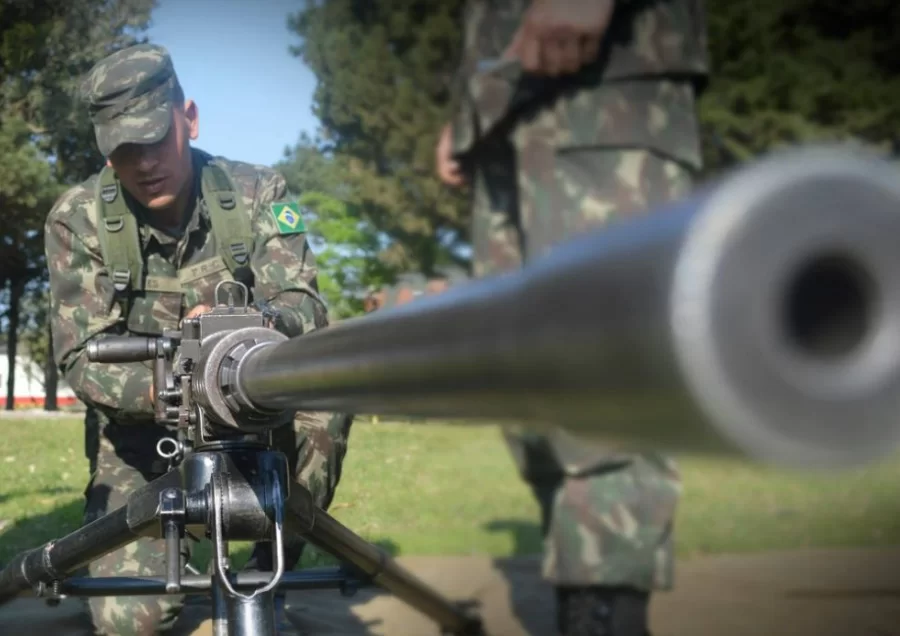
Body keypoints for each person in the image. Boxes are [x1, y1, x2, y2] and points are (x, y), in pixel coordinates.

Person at [44, 43, 353, 636]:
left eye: (155, 139)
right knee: (129, 621)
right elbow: (80, 356)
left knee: (323, 402)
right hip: (145, 439)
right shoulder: (77, 220)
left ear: (188, 119)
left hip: (256, 417)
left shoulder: (258, 193)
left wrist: (254, 324)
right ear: (105, 151)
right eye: (124, 150)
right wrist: (175, 389)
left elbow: (305, 306)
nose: (144, 164)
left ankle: (268, 567)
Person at [436, 1, 709, 634]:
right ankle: (584, 598)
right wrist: (469, 112)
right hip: (501, 111)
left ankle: (604, 610)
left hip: (607, 84)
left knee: (604, 372)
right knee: (525, 391)